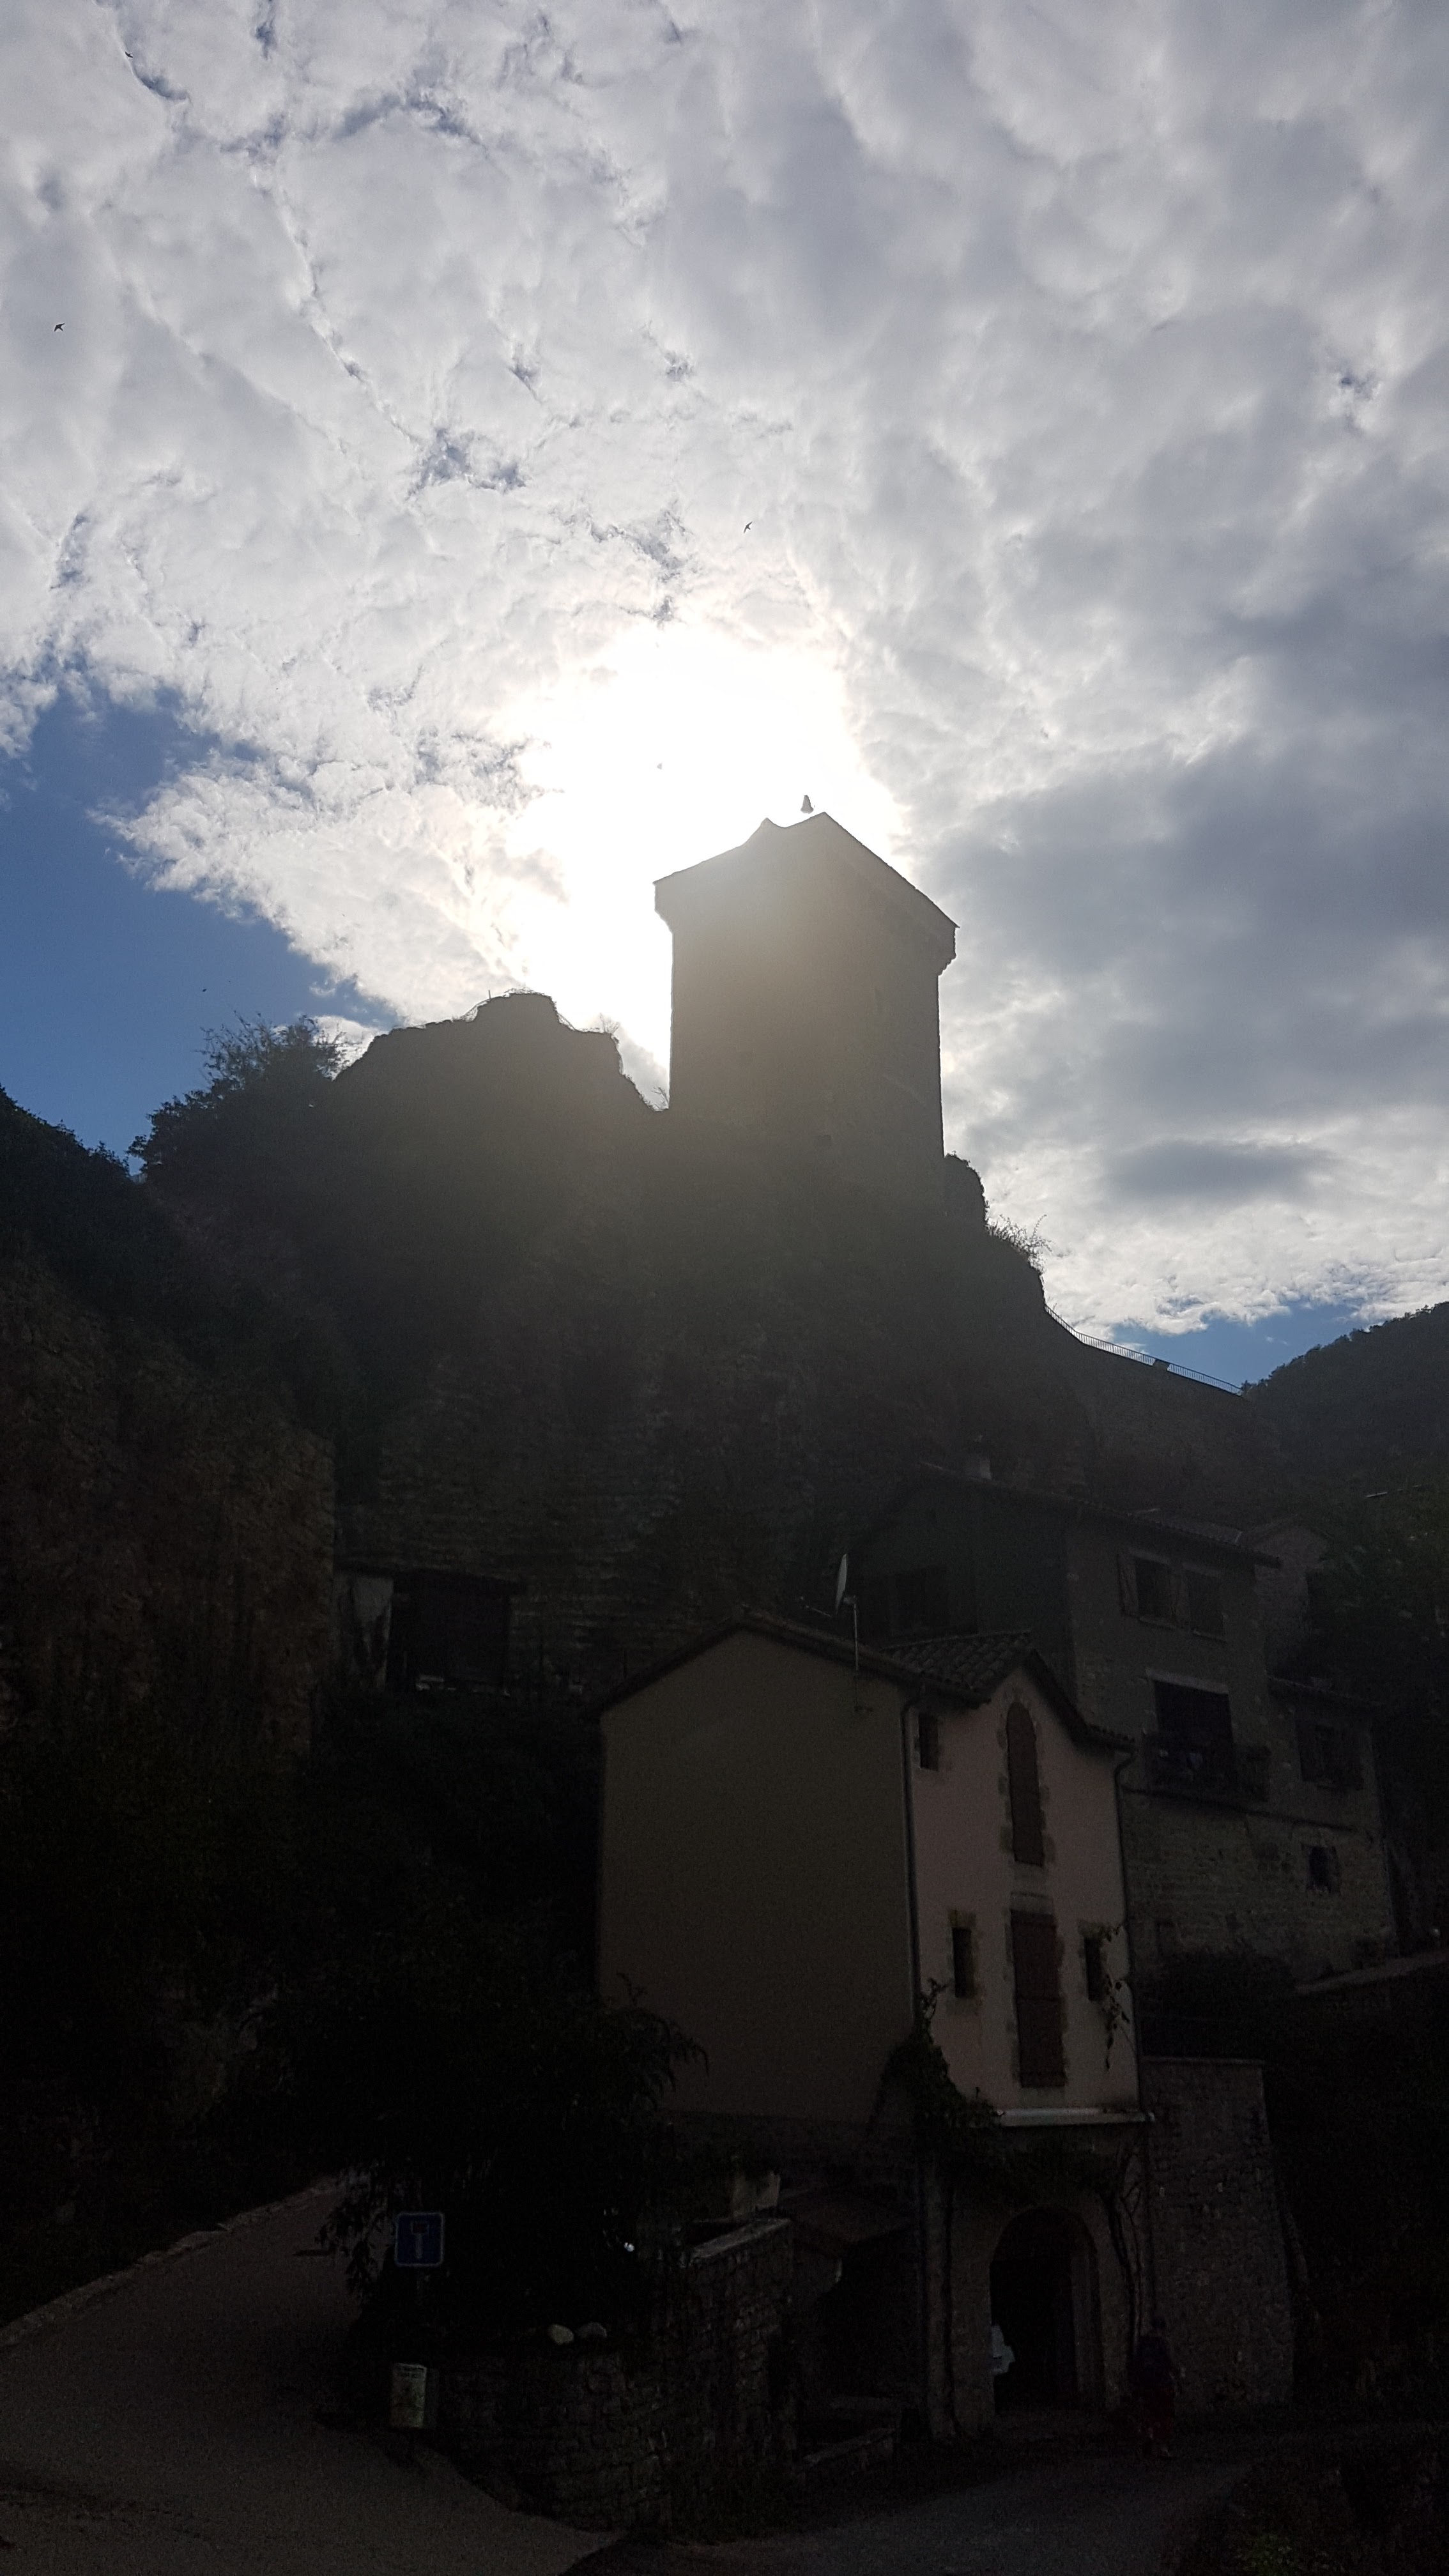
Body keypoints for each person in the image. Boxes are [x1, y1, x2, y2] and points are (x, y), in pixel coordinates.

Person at [1129, 2315, 1177, 2457]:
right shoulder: (1162, 2344)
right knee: (1164, 2415)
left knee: (1149, 2413)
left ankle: (1149, 2437)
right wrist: (1176, 2379)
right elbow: (1169, 2363)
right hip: (1161, 2384)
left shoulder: (1143, 2344)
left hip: (1146, 2384)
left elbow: (1136, 2364)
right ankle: (1162, 2446)